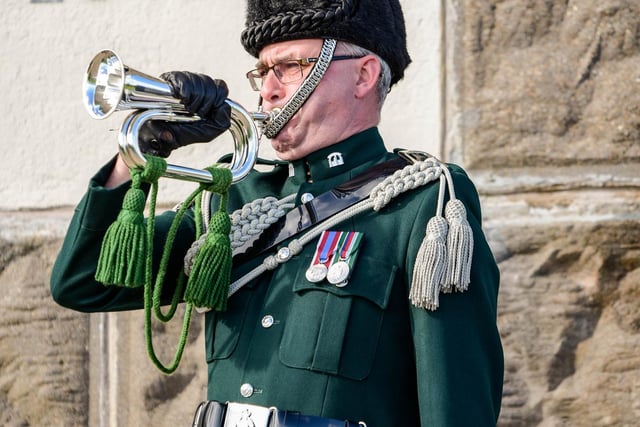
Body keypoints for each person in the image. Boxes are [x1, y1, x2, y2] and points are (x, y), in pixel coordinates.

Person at [51, 0, 504, 425]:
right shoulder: (236, 201)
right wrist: (146, 145)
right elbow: (82, 281)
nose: (268, 90)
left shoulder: (425, 205)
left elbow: (455, 405)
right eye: (263, 71)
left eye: (289, 67)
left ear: (363, 76)